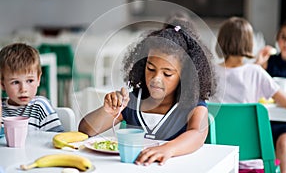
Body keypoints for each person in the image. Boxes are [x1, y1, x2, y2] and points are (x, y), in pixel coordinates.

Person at [79, 19, 217, 165]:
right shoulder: (132, 101)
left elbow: (197, 134)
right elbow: (86, 130)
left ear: (185, 76)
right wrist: (107, 111)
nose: (156, 79)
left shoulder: (193, 105)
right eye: (150, 69)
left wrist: (167, 149)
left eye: (167, 74)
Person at [211, 17, 286, 172]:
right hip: (252, 164)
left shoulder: (210, 72)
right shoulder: (255, 72)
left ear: (220, 41)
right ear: (249, 44)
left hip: (221, 160)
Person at [256, 16, 286, 173]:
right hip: (268, 119)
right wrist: (259, 62)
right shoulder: (270, 61)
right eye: (283, 37)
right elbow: (250, 81)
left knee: (284, 142)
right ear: (277, 39)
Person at [0, 43, 64, 132]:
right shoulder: (1, 108)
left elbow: (57, 139)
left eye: (30, 81)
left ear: (38, 79)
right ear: (2, 84)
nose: (23, 89)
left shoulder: (40, 107)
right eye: (15, 82)